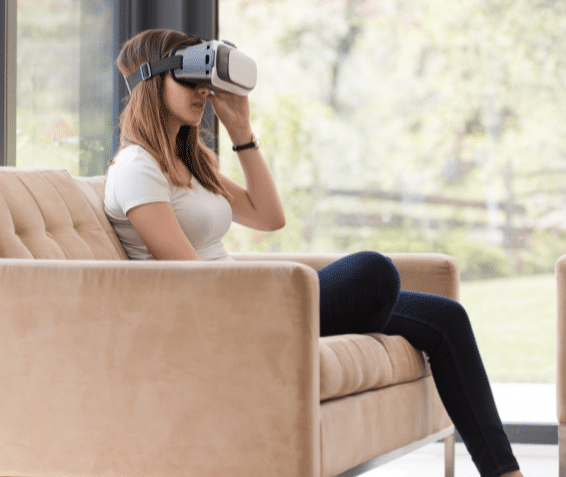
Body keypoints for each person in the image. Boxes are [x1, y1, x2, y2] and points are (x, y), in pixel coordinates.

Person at [104, 28, 524, 477]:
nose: (203, 90)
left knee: (447, 318)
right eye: (189, 78)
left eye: (204, 78)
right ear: (153, 81)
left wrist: (242, 131)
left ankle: (505, 474)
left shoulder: (191, 164)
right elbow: (193, 280)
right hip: (225, 317)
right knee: (372, 272)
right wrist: (267, 297)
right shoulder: (137, 169)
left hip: (248, 305)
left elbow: (268, 217)